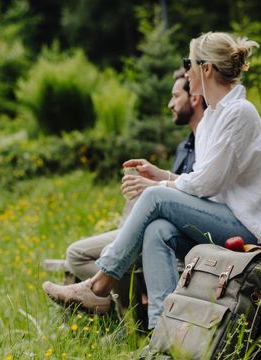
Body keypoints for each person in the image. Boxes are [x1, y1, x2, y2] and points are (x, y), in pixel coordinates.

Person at [43, 32, 261, 330]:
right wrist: (165, 176)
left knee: (154, 198)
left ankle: (98, 286)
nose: (186, 70)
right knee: (158, 230)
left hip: (250, 230)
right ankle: (164, 333)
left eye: (190, 62)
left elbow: (207, 185)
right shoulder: (213, 117)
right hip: (226, 220)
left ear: (206, 68)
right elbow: (206, 180)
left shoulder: (238, 113)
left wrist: (159, 187)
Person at [62, 69, 206, 313]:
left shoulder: (211, 140)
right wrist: (153, 180)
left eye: (175, 96)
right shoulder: (185, 147)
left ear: (194, 97)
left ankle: (126, 320)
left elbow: (198, 192)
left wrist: (155, 185)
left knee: (116, 250)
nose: (170, 104)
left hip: (181, 230)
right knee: (75, 254)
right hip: (156, 222)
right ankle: (114, 306)